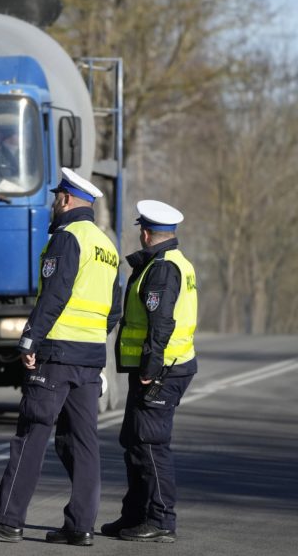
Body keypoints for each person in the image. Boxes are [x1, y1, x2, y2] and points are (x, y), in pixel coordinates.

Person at [0, 168, 121, 546]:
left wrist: (30, 339)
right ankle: (81, 526)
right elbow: (114, 309)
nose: (53, 204)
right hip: (88, 356)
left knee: (32, 433)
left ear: (65, 200)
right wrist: (91, 340)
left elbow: (54, 294)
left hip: (56, 352)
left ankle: (8, 518)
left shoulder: (67, 238)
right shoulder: (106, 246)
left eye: (56, 198)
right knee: (83, 443)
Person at [101, 200, 197, 543]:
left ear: (145, 233)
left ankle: (161, 520)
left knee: (151, 443)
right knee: (135, 440)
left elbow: (161, 322)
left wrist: (151, 366)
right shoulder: (174, 262)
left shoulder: (162, 268)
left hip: (162, 369)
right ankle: (135, 515)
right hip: (165, 366)